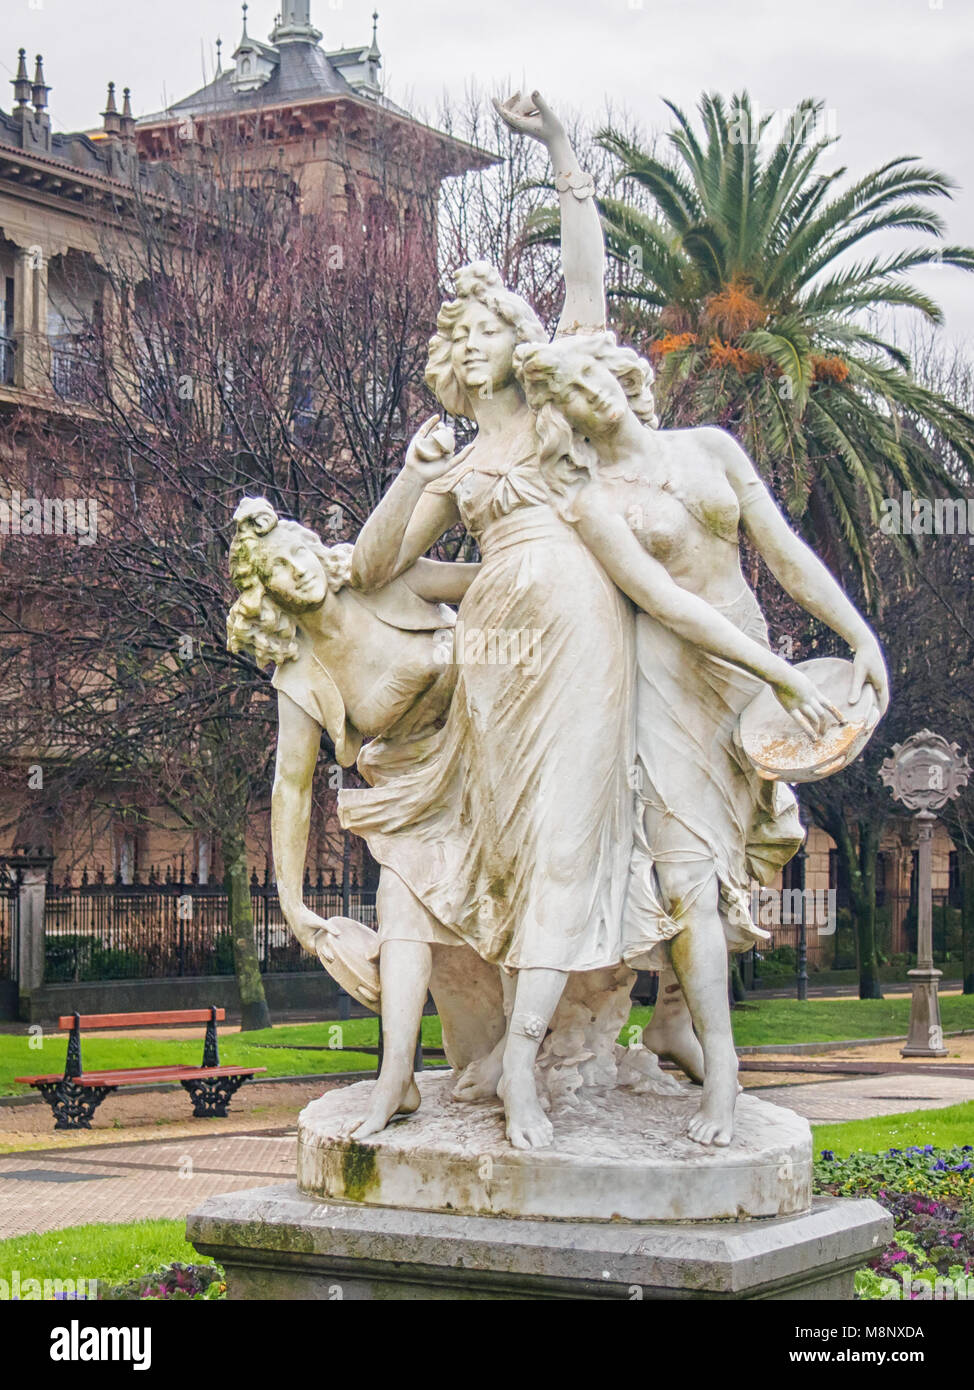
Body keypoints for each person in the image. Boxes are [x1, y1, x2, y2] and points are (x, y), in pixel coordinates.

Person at [339, 93, 841, 1149]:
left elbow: (583, 273)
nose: (475, 347)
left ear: (518, 343)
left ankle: (526, 1062)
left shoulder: (560, 406)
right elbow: (377, 565)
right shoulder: (457, 457)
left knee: (570, 844)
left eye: (489, 330)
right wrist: (406, 476)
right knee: (509, 850)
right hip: (494, 661)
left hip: (585, 643)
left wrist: (562, 148)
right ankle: (491, 1051)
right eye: (459, 336)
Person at [514, 328, 889, 1143]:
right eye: (571, 396)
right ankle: (724, 1077)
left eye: (593, 377)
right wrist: (782, 671)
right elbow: (665, 601)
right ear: (564, 421)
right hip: (672, 686)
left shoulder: (710, 448)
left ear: (618, 374)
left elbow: (783, 552)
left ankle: (673, 1025)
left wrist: (856, 635)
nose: (593, 395)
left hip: (745, 680)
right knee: (689, 887)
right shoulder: (590, 502)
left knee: (737, 873)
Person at [226, 497, 507, 1139]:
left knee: (508, 902)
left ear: (314, 547)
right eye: (276, 574)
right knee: (401, 912)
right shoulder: (300, 673)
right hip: (413, 784)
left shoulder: (388, 579)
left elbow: (499, 579)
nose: (296, 572)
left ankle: (522, 1058)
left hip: (496, 751)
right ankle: (397, 1078)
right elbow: (292, 787)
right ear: (270, 599)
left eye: (296, 554)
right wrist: (292, 903)